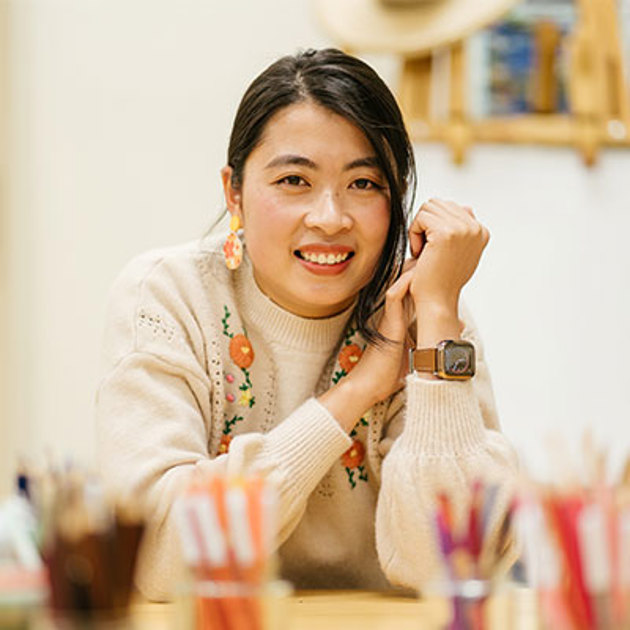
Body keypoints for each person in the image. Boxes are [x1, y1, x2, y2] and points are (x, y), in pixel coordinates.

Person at [95, 48, 517, 601]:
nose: (329, 218)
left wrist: (439, 320)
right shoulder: (168, 297)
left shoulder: (424, 314)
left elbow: (453, 567)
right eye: (294, 180)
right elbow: (156, 560)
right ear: (235, 193)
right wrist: (358, 391)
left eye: (364, 184)